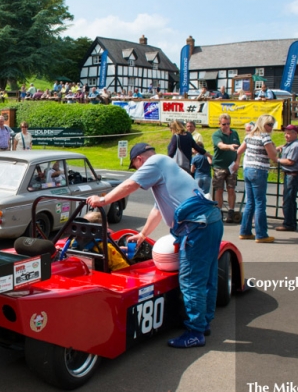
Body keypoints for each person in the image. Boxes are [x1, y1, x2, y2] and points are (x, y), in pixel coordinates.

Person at [87, 143, 224, 347]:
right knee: (207, 275)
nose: (138, 171)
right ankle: (203, 323)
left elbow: (129, 185)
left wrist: (103, 200)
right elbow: (158, 210)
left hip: (196, 225)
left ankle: (195, 331)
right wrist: (142, 234)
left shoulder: (155, 162)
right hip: (209, 221)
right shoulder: (167, 169)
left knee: (191, 279)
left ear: (139, 159)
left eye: (136, 166)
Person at [233, 115, 279, 243]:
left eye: (272, 124)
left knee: (250, 202)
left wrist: (238, 162)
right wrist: (276, 148)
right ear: (263, 124)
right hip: (259, 170)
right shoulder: (265, 137)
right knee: (260, 203)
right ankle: (261, 234)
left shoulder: (249, 136)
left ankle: (245, 231)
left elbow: (239, 151)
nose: (271, 127)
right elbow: (272, 155)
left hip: (248, 170)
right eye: (269, 124)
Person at [275, 125, 298, 232]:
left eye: (288, 133)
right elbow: (285, 148)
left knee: (288, 200)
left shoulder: (296, 146)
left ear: (295, 134)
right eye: (285, 133)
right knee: (289, 200)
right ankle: (290, 222)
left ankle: (289, 224)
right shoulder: (291, 145)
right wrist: (280, 148)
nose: (286, 135)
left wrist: (277, 159)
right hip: (291, 175)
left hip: (293, 175)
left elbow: (290, 161)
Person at [212, 114, 241, 223]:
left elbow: (239, 150)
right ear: (219, 124)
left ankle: (231, 211)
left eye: (228, 124)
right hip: (219, 166)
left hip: (231, 166)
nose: (226, 126)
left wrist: (237, 161)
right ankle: (218, 211)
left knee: (231, 189)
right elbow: (220, 145)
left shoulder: (234, 133)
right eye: (224, 124)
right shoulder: (217, 134)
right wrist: (229, 146)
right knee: (219, 189)